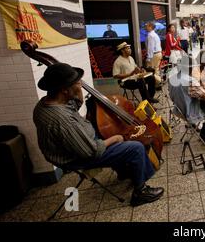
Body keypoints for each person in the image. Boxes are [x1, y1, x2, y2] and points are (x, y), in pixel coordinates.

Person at [33, 63, 164, 207]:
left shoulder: (45, 104)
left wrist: (78, 93)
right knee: (135, 147)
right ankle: (140, 192)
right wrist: (115, 139)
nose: (80, 85)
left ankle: (124, 170)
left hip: (76, 143)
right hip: (76, 156)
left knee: (107, 129)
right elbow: (91, 151)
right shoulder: (62, 120)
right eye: (76, 83)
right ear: (64, 90)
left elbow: (72, 107)